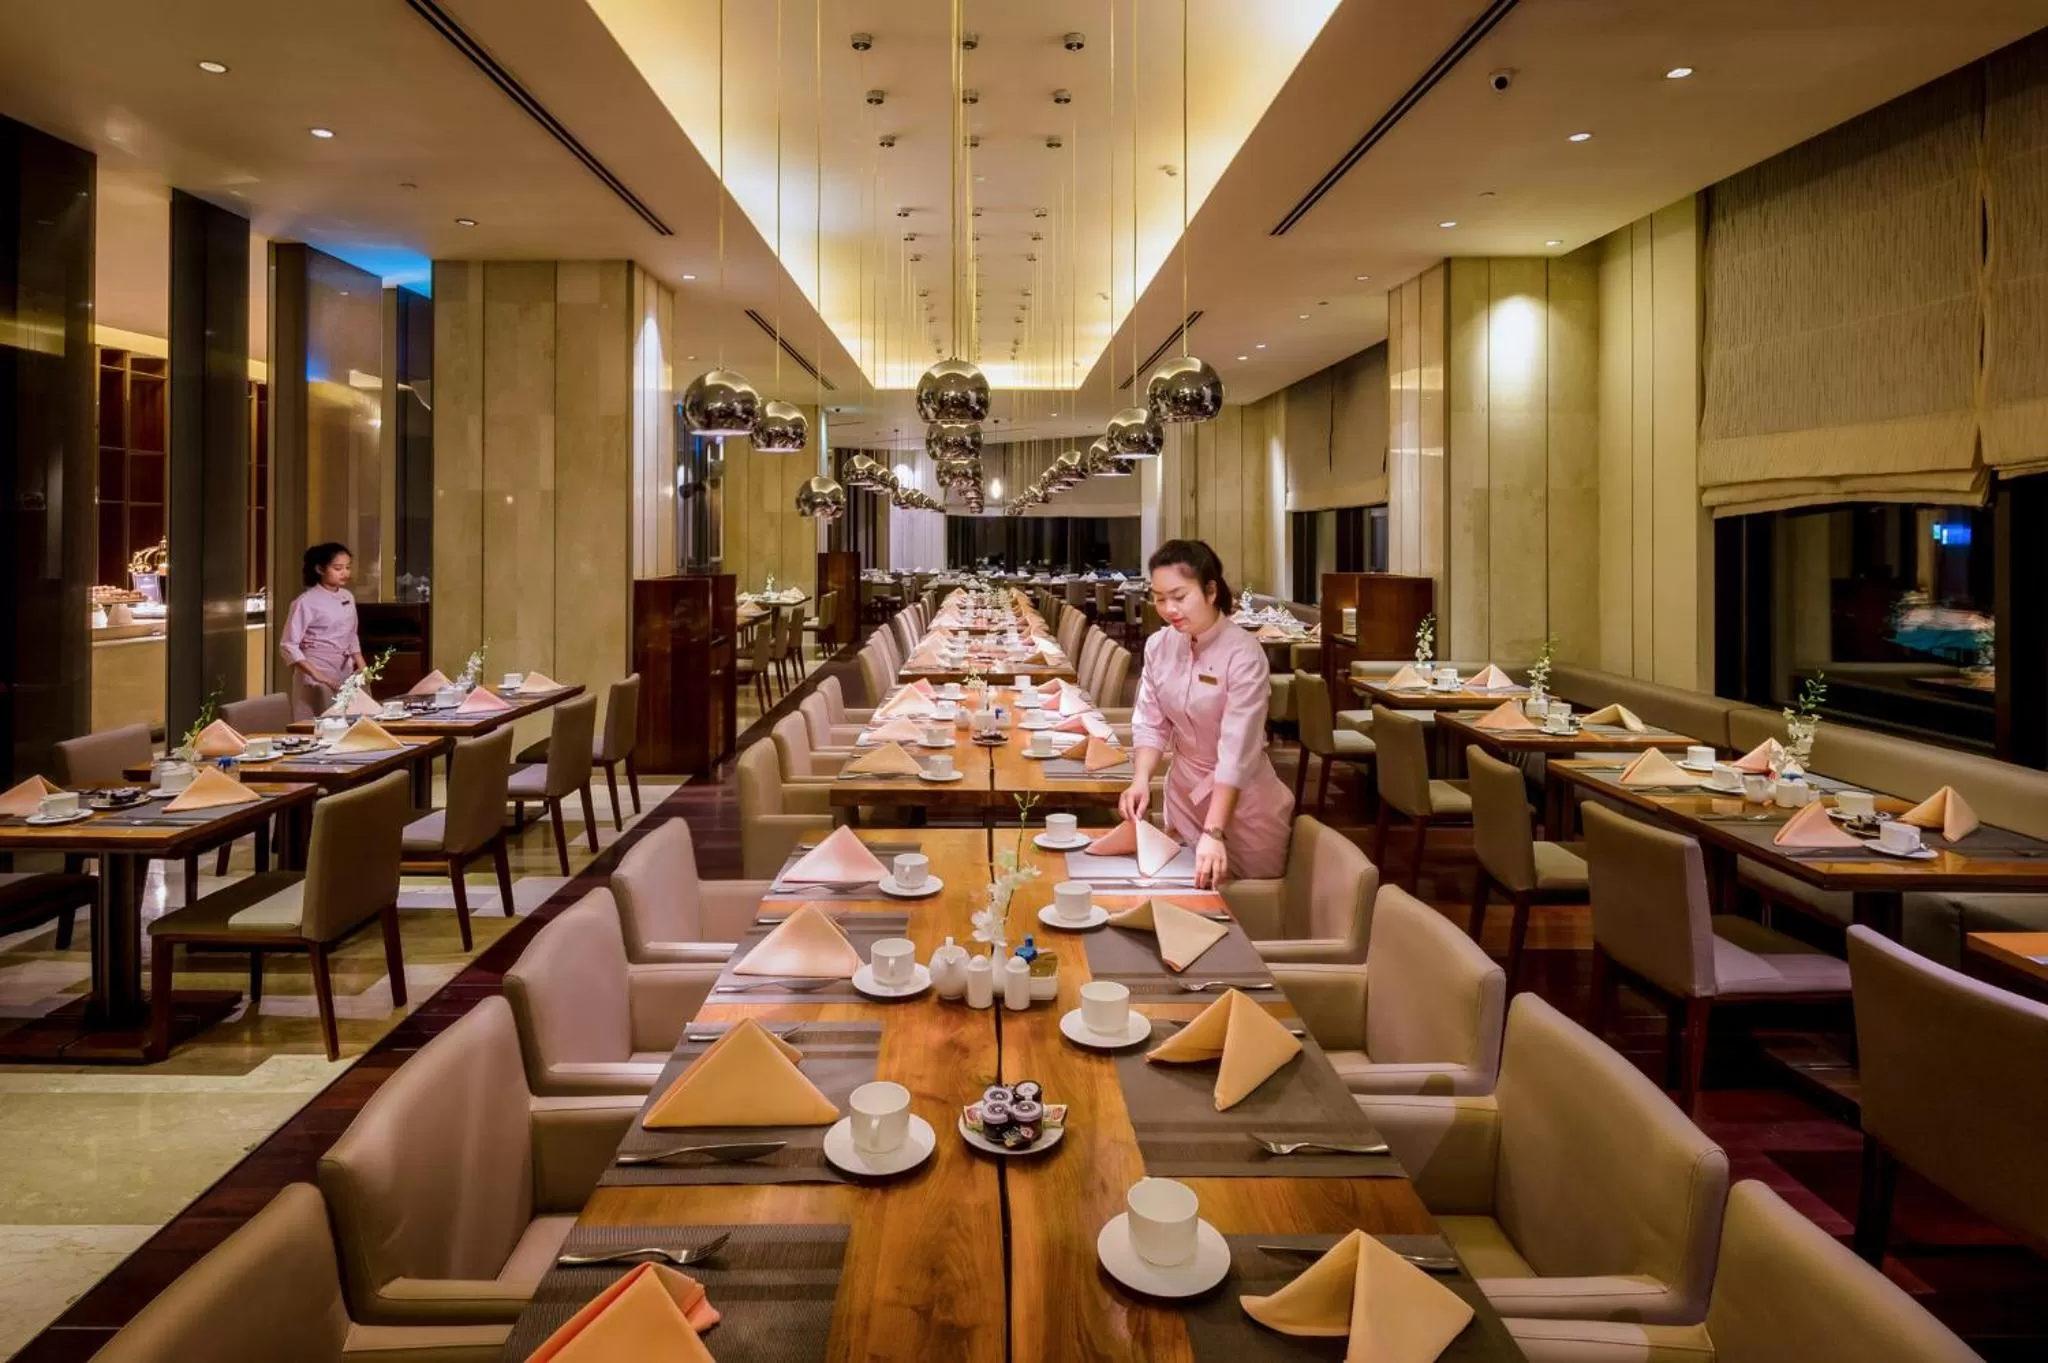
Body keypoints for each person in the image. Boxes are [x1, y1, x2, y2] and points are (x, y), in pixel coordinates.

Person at [1120, 539, 1295, 887]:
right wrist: (1141, 779)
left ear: (1211, 590)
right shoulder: (1160, 645)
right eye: (1159, 598)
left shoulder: (1243, 654)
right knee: (1183, 894)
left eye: (1180, 596)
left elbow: (1235, 752)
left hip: (1243, 802)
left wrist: (1214, 831)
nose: (1169, 608)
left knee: (1242, 909)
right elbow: (1151, 723)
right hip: (1185, 792)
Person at [279, 542, 366, 720]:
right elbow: (289, 645)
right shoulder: (305, 602)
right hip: (316, 669)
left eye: (348, 567)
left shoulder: (347, 596)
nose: (345, 573)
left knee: (349, 721)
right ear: (320, 569)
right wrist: (318, 675)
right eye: (338, 568)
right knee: (318, 723)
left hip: (344, 669)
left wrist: (362, 664)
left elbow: (351, 634)